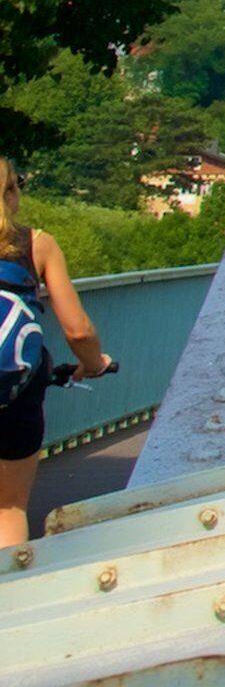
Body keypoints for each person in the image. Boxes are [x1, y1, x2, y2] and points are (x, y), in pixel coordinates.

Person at [0, 157, 112, 545]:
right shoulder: (37, 245)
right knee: (8, 508)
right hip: (13, 396)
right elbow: (78, 331)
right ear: (10, 194)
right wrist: (94, 364)